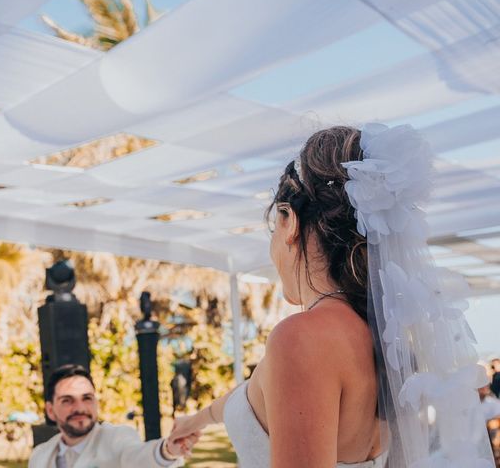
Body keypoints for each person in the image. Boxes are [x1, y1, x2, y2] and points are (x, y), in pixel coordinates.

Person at [169, 125, 494, 467]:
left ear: (288, 220)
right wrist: (196, 421)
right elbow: (254, 393)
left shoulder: (302, 337)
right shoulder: (385, 341)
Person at [29, 364, 197, 468]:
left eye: (87, 398)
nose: (79, 408)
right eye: (67, 400)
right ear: (50, 410)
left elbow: (137, 459)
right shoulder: (40, 455)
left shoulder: (117, 438)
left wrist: (167, 450)